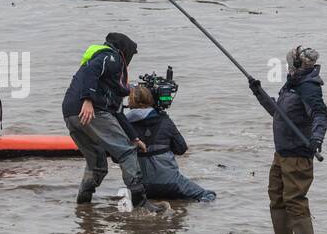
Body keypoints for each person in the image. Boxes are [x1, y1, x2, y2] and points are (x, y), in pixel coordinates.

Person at [62, 32, 160, 211]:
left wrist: (134, 138)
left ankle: (83, 205)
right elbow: (92, 70)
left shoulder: (109, 82)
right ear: (125, 50)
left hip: (71, 114)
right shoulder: (110, 56)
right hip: (90, 110)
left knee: (98, 162)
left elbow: (118, 112)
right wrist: (88, 100)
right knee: (127, 153)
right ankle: (140, 202)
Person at [248, 45, 327, 234]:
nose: (287, 67)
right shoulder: (292, 85)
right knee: (276, 197)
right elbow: (278, 113)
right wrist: (259, 93)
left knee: (295, 201)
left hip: (297, 155)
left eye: (290, 63)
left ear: (298, 64)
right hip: (281, 153)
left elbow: (321, 115)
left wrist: (317, 138)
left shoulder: (308, 87)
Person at [125, 83, 216, 202]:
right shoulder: (164, 121)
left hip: (140, 187)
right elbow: (181, 149)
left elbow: (116, 157)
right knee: (209, 195)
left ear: (130, 102)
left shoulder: (124, 125)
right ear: (151, 99)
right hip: (171, 183)